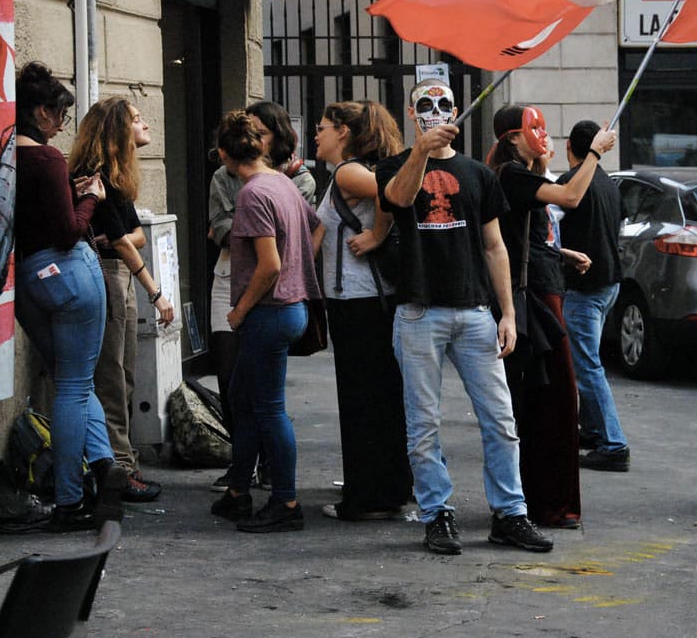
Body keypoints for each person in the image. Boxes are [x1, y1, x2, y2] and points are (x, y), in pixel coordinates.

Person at [376, 78, 552, 555]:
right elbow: (398, 200)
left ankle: (510, 513)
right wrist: (421, 152)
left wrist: (507, 313)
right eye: (425, 104)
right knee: (424, 424)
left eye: (444, 104)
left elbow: (495, 246)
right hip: (418, 313)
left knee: (501, 419)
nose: (435, 111)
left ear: (455, 112)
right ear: (411, 114)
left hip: (475, 312)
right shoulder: (394, 166)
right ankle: (437, 513)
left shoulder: (478, 173)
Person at [486, 105, 617, 527]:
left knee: (548, 402)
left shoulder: (520, 174)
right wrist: (594, 152)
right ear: (512, 137)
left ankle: (542, 501)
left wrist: (560, 253)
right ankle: (546, 504)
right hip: (535, 300)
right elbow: (571, 196)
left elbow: (518, 236)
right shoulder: (512, 173)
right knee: (552, 402)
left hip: (543, 291)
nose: (543, 135)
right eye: (534, 128)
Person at [13, 62, 126, 531]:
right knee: (76, 386)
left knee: (68, 378)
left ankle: (102, 465)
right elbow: (68, 230)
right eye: (59, 114)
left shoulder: (4, 155)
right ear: (41, 112)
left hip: (27, 278)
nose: (62, 124)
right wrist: (91, 196)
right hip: (69, 275)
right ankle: (69, 500)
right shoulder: (47, 159)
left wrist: (71, 195)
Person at [209, 109, 322, 533]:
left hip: (269, 312)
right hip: (287, 308)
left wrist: (239, 310)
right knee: (242, 398)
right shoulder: (282, 182)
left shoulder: (253, 194)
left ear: (224, 154)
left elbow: (269, 265)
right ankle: (238, 491)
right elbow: (317, 225)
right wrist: (299, 270)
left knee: (269, 408)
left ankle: (286, 502)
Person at [67, 97, 173, 504]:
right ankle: (119, 469)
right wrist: (156, 292)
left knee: (123, 374)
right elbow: (124, 242)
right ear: (117, 129)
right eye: (136, 119)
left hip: (118, 273)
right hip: (108, 274)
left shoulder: (115, 175)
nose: (145, 124)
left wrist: (121, 239)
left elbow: (135, 235)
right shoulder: (96, 176)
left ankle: (123, 463)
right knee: (111, 376)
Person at [313, 100, 412, 520]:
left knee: (362, 399)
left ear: (342, 132)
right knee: (379, 397)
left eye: (322, 127)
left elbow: (394, 195)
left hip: (360, 301)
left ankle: (367, 497)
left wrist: (376, 235)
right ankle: (387, 487)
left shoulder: (348, 172)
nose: (316, 135)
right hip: (364, 299)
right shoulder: (347, 172)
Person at [556, 120, 629, 472]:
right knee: (589, 361)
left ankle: (614, 445)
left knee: (587, 368)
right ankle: (593, 430)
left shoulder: (570, 183)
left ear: (569, 146)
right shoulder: (609, 183)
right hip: (610, 282)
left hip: (585, 287)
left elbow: (550, 229)